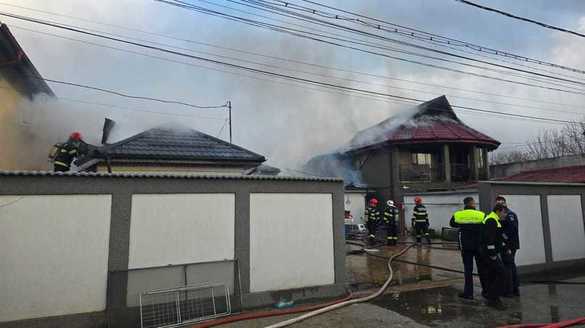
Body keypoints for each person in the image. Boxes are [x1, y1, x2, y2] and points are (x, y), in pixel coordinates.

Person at [450, 196, 486, 300]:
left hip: (466, 246)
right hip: (479, 246)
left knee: (468, 270)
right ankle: (486, 291)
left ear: (465, 204)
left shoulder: (458, 214)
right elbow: (485, 227)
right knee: (482, 269)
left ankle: (468, 293)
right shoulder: (481, 214)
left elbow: (452, 224)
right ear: (473, 203)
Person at [481, 203, 510, 310]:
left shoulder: (494, 220)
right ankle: (494, 298)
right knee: (502, 273)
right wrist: (492, 253)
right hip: (489, 254)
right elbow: (489, 239)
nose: (505, 215)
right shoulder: (491, 220)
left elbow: (498, 238)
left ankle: (491, 296)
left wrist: (505, 247)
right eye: (504, 212)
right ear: (498, 211)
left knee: (493, 275)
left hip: (489, 253)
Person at [496, 196, 520, 297]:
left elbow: (512, 229)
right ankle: (513, 289)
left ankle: (510, 290)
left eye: (501, 202)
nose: (499, 204)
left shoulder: (509, 214)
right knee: (510, 265)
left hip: (509, 245)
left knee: (508, 267)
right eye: (498, 203)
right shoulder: (503, 214)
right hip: (507, 244)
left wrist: (503, 239)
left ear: (505, 203)